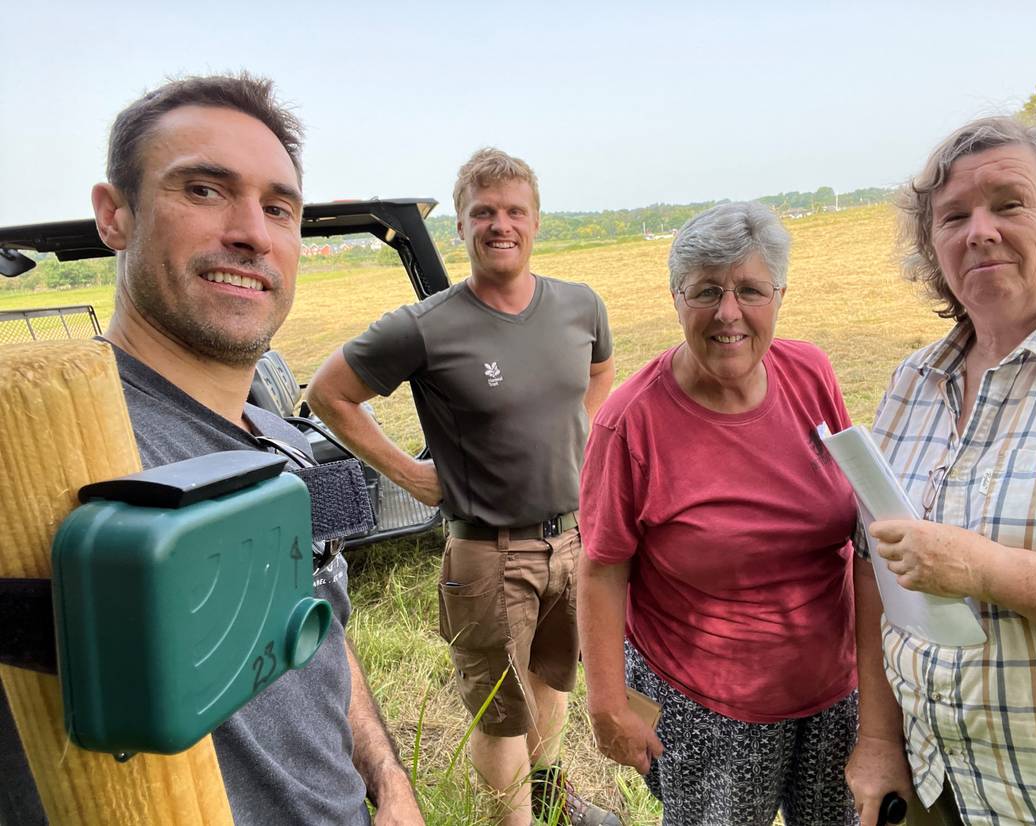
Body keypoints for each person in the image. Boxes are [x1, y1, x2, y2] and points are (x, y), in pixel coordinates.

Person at [0, 73, 424, 826]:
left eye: (278, 208)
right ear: (115, 215)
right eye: (202, 190)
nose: (252, 233)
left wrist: (386, 779)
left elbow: (317, 629)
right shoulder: (38, 451)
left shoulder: (286, 445)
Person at [305, 148, 618, 826]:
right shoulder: (424, 325)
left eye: (513, 212)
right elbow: (329, 393)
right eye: (483, 213)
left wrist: (583, 435)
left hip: (571, 541)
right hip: (488, 554)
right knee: (501, 713)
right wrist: (410, 474)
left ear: (536, 222)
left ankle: (550, 798)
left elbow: (600, 370)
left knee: (550, 682)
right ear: (461, 227)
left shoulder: (579, 305)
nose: (499, 225)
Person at [845, 115, 1036, 826]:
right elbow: (874, 568)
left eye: (1008, 203)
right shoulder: (911, 381)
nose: (977, 231)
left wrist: (988, 571)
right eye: (951, 217)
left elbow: (957, 568)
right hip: (936, 785)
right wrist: (876, 740)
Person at [578, 201, 860, 826]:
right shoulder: (630, 422)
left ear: (779, 296)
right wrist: (607, 705)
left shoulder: (811, 373)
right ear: (676, 298)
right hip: (711, 710)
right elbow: (600, 569)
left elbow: (857, 507)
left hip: (835, 691)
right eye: (707, 290)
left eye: (750, 290)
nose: (729, 312)